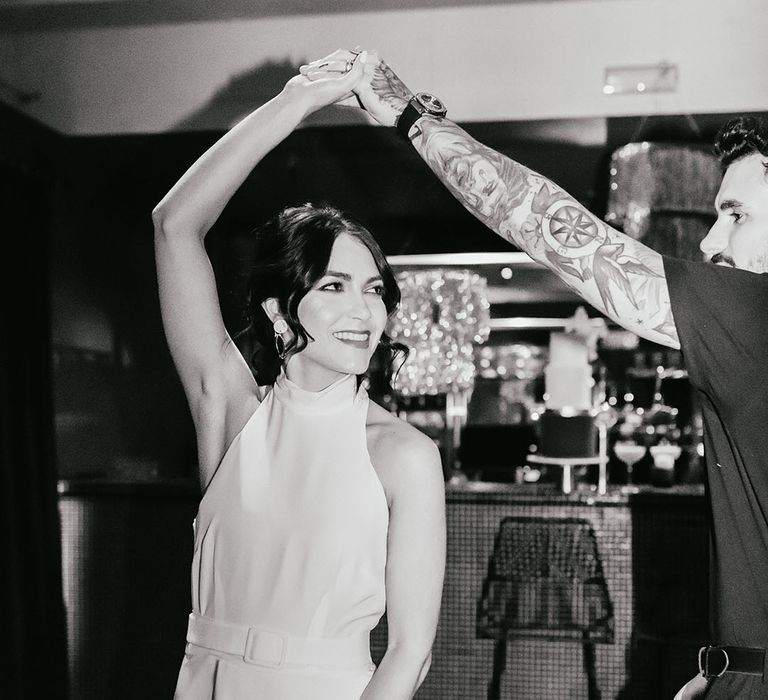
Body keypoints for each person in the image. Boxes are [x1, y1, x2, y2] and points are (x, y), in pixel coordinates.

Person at [301, 49, 768, 699]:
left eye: (737, 213)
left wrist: (416, 116)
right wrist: (734, 666)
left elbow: (553, 225)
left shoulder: (756, 313)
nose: (712, 242)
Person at [152, 50, 446, 700]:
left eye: (374, 289)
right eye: (335, 285)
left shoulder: (404, 455)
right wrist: (296, 101)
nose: (363, 308)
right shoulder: (229, 408)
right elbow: (175, 227)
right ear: (279, 313)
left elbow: (409, 653)